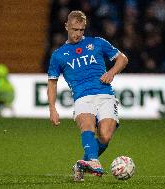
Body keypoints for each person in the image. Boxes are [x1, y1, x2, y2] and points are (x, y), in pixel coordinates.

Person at [47, 10, 128, 181]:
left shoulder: (97, 43)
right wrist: (52, 109)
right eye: (74, 29)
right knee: (88, 127)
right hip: (82, 97)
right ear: (66, 26)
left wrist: (112, 72)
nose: (77, 34)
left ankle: (81, 165)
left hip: (105, 94)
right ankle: (93, 161)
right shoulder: (58, 55)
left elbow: (122, 59)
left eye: (81, 30)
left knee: (105, 136)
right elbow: (52, 83)